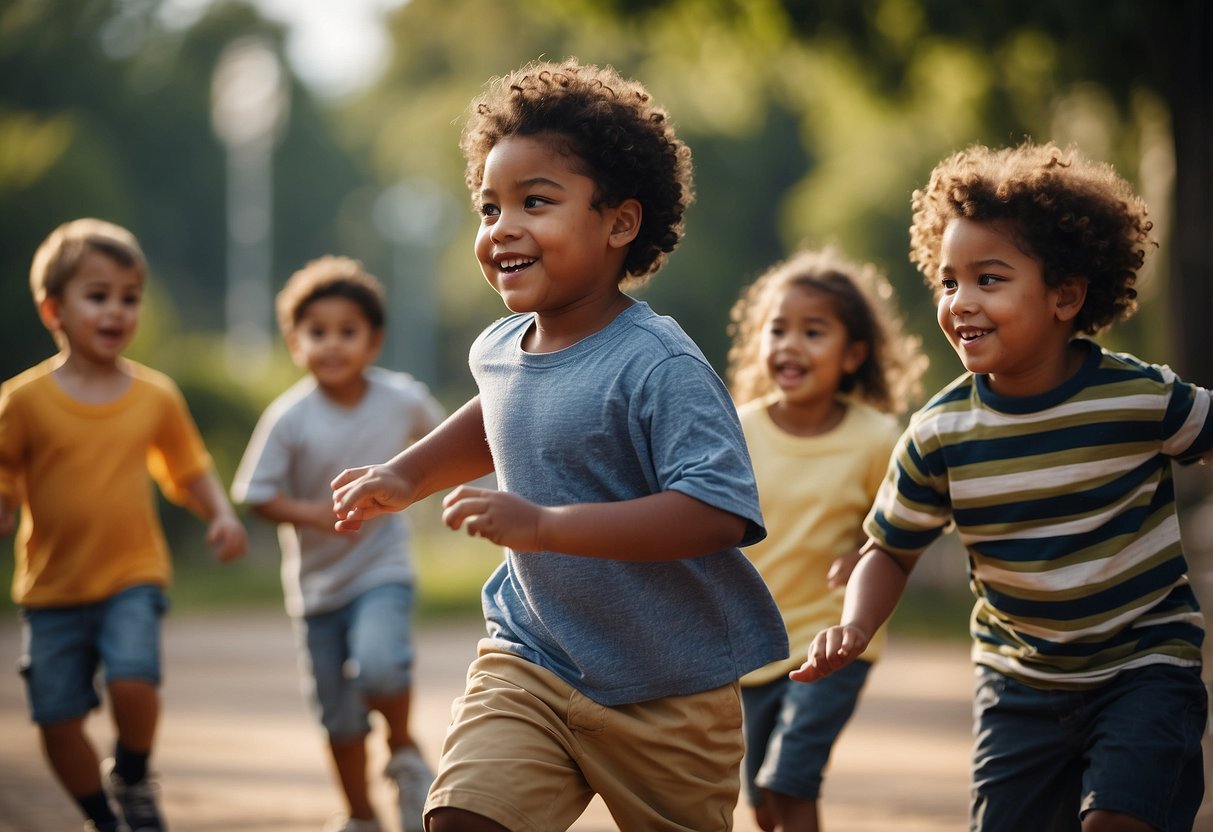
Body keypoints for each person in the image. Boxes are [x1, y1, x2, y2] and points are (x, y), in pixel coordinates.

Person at [331, 58, 788, 832]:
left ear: (619, 222)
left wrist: (546, 527)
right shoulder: (502, 347)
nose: (501, 229)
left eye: (534, 203)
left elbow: (712, 512)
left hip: (666, 690)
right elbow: (497, 413)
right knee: (462, 819)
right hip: (531, 658)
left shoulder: (659, 364)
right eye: (488, 207)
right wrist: (405, 475)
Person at [793, 141, 1212, 832]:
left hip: (1142, 663)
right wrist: (855, 624)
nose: (960, 301)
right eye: (947, 280)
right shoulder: (939, 434)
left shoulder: (1136, 397)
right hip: (1018, 683)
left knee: (1118, 818)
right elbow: (888, 550)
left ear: (1064, 295)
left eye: (989, 279)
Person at [0, 218, 248, 832]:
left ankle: (133, 776)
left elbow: (188, 467)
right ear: (53, 308)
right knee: (56, 720)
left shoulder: (154, 396)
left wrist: (219, 514)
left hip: (132, 575)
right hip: (51, 589)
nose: (117, 311)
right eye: (98, 295)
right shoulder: (23, 401)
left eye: (129, 297)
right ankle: (101, 817)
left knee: (135, 681)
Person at [231, 255, 443, 832]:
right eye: (316, 332)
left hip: (383, 568)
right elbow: (256, 493)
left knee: (379, 666)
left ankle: (402, 750)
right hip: (316, 589)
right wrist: (315, 515)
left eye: (347, 332)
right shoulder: (289, 417)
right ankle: (358, 815)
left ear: (373, 340)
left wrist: (451, 494)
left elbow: (450, 445)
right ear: (294, 342)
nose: (332, 345)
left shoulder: (402, 397)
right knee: (340, 718)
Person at [725, 246, 926, 832]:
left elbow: (904, 528)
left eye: (813, 332)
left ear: (853, 354)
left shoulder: (875, 438)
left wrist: (864, 553)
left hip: (837, 637)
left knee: (789, 778)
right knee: (762, 803)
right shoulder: (738, 429)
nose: (790, 345)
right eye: (778, 329)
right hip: (756, 645)